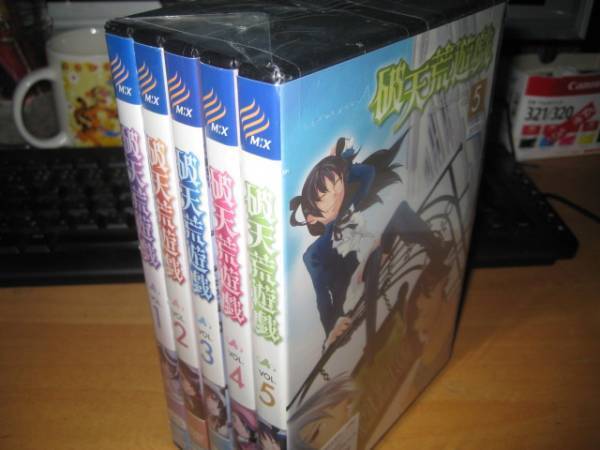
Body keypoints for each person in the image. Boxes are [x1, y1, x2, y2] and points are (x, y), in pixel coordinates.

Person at [290, 131, 450, 351]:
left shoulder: (350, 205)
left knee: (400, 212)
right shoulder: (314, 254)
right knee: (373, 256)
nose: (337, 194)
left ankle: (437, 249)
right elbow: (322, 297)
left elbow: (368, 173)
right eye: (327, 193)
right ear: (311, 217)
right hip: (354, 287)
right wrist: (331, 329)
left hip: (375, 251)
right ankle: (372, 341)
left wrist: (339, 164)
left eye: (338, 184)